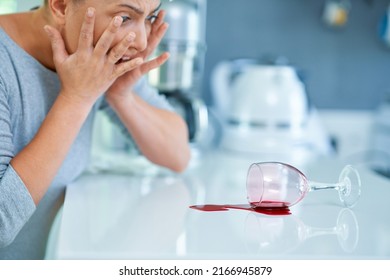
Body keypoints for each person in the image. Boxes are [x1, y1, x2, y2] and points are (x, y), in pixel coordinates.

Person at [0, 0, 191, 249]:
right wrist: (76, 98)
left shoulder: (92, 59)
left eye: (149, 18)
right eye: (124, 18)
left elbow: (178, 155)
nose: (142, 42)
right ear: (60, 6)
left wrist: (121, 97)